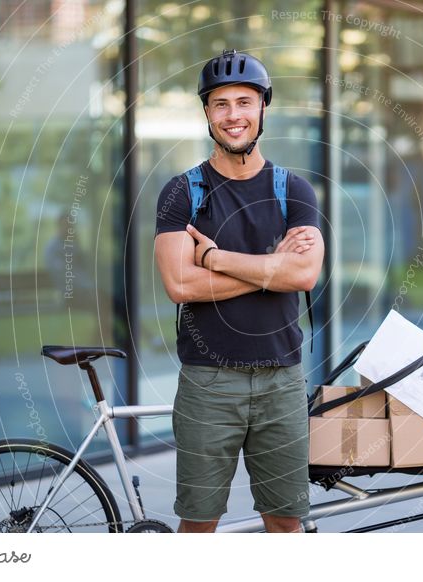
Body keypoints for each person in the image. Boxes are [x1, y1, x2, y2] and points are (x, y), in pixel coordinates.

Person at [154, 49, 324, 533]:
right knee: (199, 527)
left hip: (282, 382)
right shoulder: (181, 192)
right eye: (221, 104)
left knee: (287, 525)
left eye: (244, 102)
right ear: (207, 113)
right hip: (209, 383)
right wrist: (271, 266)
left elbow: (304, 275)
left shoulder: (295, 191)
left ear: (263, 108)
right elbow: (178, 284)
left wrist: (212, 257)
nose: (234, 115)